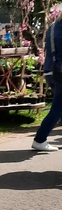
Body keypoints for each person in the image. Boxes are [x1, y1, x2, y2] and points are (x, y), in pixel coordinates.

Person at [31, 16, 62, 152]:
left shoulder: (53, 27)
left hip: (51, 69)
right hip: (59, 70)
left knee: (58, 107)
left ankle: (40, 139)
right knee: (57, 108)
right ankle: (40, 139)